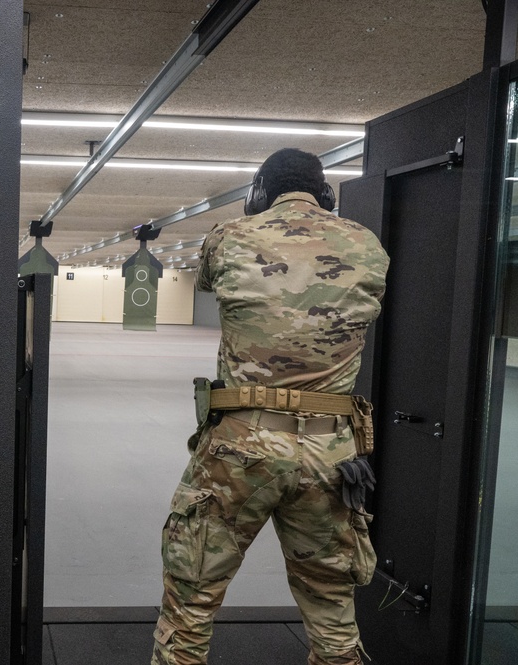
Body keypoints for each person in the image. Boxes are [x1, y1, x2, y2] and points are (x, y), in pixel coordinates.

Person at [151, 149, 389, 665]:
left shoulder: (230, 238)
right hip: (332, 452)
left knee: (190, 603)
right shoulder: (367, 245)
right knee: (333, 613)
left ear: (258, 194)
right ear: (326, 194)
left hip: (242, 446)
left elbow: (212, 281)